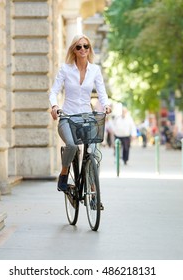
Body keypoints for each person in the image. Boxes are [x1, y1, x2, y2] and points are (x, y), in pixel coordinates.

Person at [49, 34, 112, 192]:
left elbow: (102, 93)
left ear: (89, 49)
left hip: (87, 117)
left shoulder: (95, 70)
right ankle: (63, 174)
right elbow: (53, 91)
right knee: (71, 145)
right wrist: (54, 106)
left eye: (86, 46)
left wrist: (107, 105)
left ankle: (92, 189)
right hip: (67, 118)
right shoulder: (66, 69)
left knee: (93, 151)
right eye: (79, 47)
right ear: (74, 50)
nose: (83, 49)